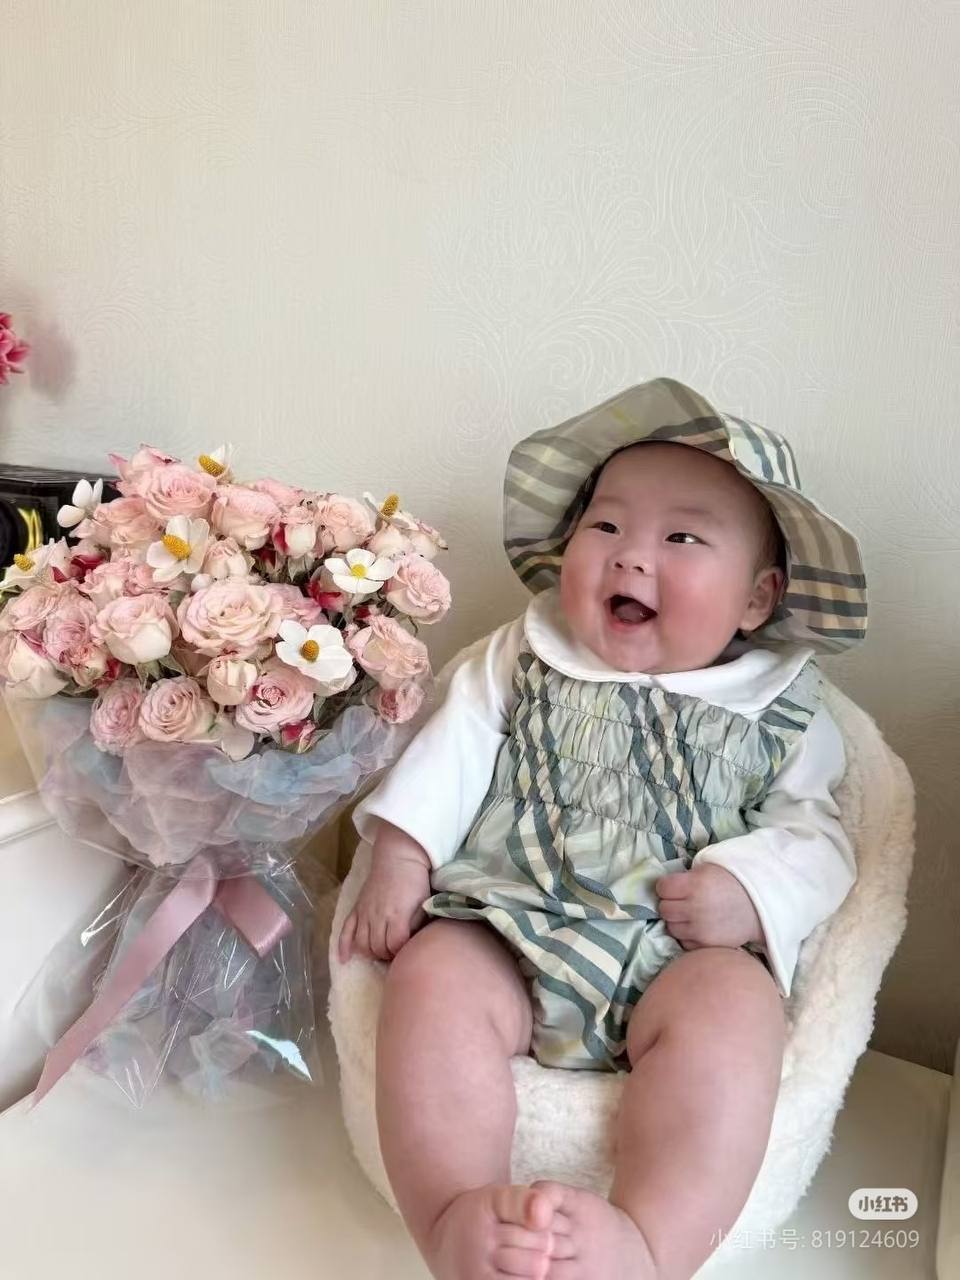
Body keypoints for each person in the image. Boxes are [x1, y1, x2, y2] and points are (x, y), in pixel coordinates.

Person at [337, 377, 867, 1280]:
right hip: (509, 923)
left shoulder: (782, 705)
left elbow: (821, 835)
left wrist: (748, 893)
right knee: (432, 976)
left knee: (738, 1013)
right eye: (606, 525)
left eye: (682, 538)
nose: (630, 558)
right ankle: (452, 1219)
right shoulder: (527, 653)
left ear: (757, 597)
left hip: (672, 955)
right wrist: (400, 854)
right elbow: (451, 750)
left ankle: (650, 1246)